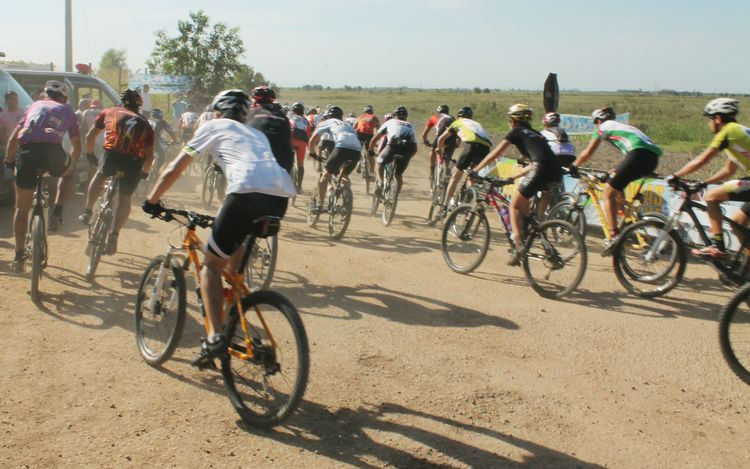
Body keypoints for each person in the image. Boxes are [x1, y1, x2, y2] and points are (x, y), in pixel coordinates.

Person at [142, 89, 295, 366]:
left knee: (210, 267)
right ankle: (230, 330)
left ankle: (214, 339)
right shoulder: (256, 134)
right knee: (231, 274)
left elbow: (174, 169)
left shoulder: (212, 125)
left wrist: (151, 200)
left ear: (216, 112)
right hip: (280, 196)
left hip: (246, 193)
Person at [3, 81, 81, 271]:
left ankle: (19, 257)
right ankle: (57, 212)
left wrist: (8, 160)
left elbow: (14, 138)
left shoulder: (33, 106)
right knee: (70, 173)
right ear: (64, 98)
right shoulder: (67, 110)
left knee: (21, 208)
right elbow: (76, 145)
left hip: (27, 153)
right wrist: (73, 162)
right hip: (52, 153)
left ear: (45, 96)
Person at [472, 104, 563, 265]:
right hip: (555, 170)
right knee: (525, 209)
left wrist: (476, 170)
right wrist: (514, 177)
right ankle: (544, 244)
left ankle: (519, 246)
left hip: (540, 168)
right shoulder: (536, 134)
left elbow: (496, 153)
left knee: (514, 205)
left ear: (513, 120)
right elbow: (541, 160)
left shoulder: (516, 132)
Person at [570, 106, 661, 253]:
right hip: (652, 158)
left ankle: (612, 236)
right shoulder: (623, 127)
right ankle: (625, 221)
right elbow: (629, 156)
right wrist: (614, 170)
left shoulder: (603, 127)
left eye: (596, 123)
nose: (596, 125)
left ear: (598, 120)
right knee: (617, 188)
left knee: (607, 194)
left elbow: (588, 152)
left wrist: (574, 165)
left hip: (638, 155)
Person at [670, 98, 750, 259]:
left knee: (711, 197)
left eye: (709, 119)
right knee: (738, 222)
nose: (708, 123)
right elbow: (728, 170)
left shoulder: (727, 131)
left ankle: (718, 247)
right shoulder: (737, 133)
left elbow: (703, 159)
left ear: (718, 118)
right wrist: (704, 182)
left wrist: (676, 175)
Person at [78, 89, 154, 255]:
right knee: (125, 197)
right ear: (139, 106)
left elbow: (90, 136)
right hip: (134, 161)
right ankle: (114, 234)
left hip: (112, 154)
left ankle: (87, 211)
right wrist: (145, 174)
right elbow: (149, 156)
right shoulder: (145, 123)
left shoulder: (110, 112)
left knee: (100, 175)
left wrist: (90, 154)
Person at [437, 106, 491, 217]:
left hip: (472, 146)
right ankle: (470, 203)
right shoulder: (477, 124)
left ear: (459, 116)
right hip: (486, 149)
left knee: (455, 177)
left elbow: (441, 139)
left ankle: (444, 207)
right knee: (472, 176)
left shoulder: (458, 122)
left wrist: (439, 150)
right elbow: (460, 142)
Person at [308, 106, 361, 212]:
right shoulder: (347, 124)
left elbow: (313, 140)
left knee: (325, 175)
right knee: (344, 175)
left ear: (329, 116)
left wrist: (312, 153)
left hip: (341, 146)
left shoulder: (328, 121)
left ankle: (320, 204)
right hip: (356, 150)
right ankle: (346, 202)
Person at [368, 106, 418, 197]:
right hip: (408, 149)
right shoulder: (411, 126)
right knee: (398, 175)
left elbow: (374, 139)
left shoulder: (390, 122)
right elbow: (415, 148)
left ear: (395, 116)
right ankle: (394, 197)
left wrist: (371, 151)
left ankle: (380, 183)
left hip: (393, 146)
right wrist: (407, 158)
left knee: (379, 163)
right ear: (406, 116)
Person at [246, 86, 294, 174]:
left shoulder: (248, 114)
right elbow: (289, 143)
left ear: (254, 100)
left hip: (253, 165)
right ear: (272, 101)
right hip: (280, 167)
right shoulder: (283, 117)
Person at [422, 104, 454, 180]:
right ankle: (447, 172)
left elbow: (424, 134)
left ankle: (432, 172)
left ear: (438, 111)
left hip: (440, 137)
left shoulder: (434, 117)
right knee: (448, 156)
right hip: (452, 139)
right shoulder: (452, 118)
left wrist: (426, 141)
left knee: (433, 149)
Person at [289, 102, 311, 190]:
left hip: (291, 141)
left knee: (287, 161)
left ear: (293, 110)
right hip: (302, 143)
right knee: (300, 164)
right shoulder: (306, 121)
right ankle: (299, 186)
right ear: (302, 111)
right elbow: (308, 134)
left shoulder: (289, 117)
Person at [354, 105, 381, 176]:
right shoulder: (374, 118)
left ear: (364, 112)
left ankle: (359, 163)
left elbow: (353, 127)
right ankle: (372, 172)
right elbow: (380, 130)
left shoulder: (360, 117)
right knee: (370, 154)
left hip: (359, 134)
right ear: (372, 112)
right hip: (369, 135)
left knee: (358, 150)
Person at [149, 108, 177, 174]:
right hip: (155, 141)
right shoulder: (163, 123)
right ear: (160, 115)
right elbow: (171, 132)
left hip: (143, 140)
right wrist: (174, 140)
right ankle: (156, 171)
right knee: (162, 157)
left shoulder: (146, 120)